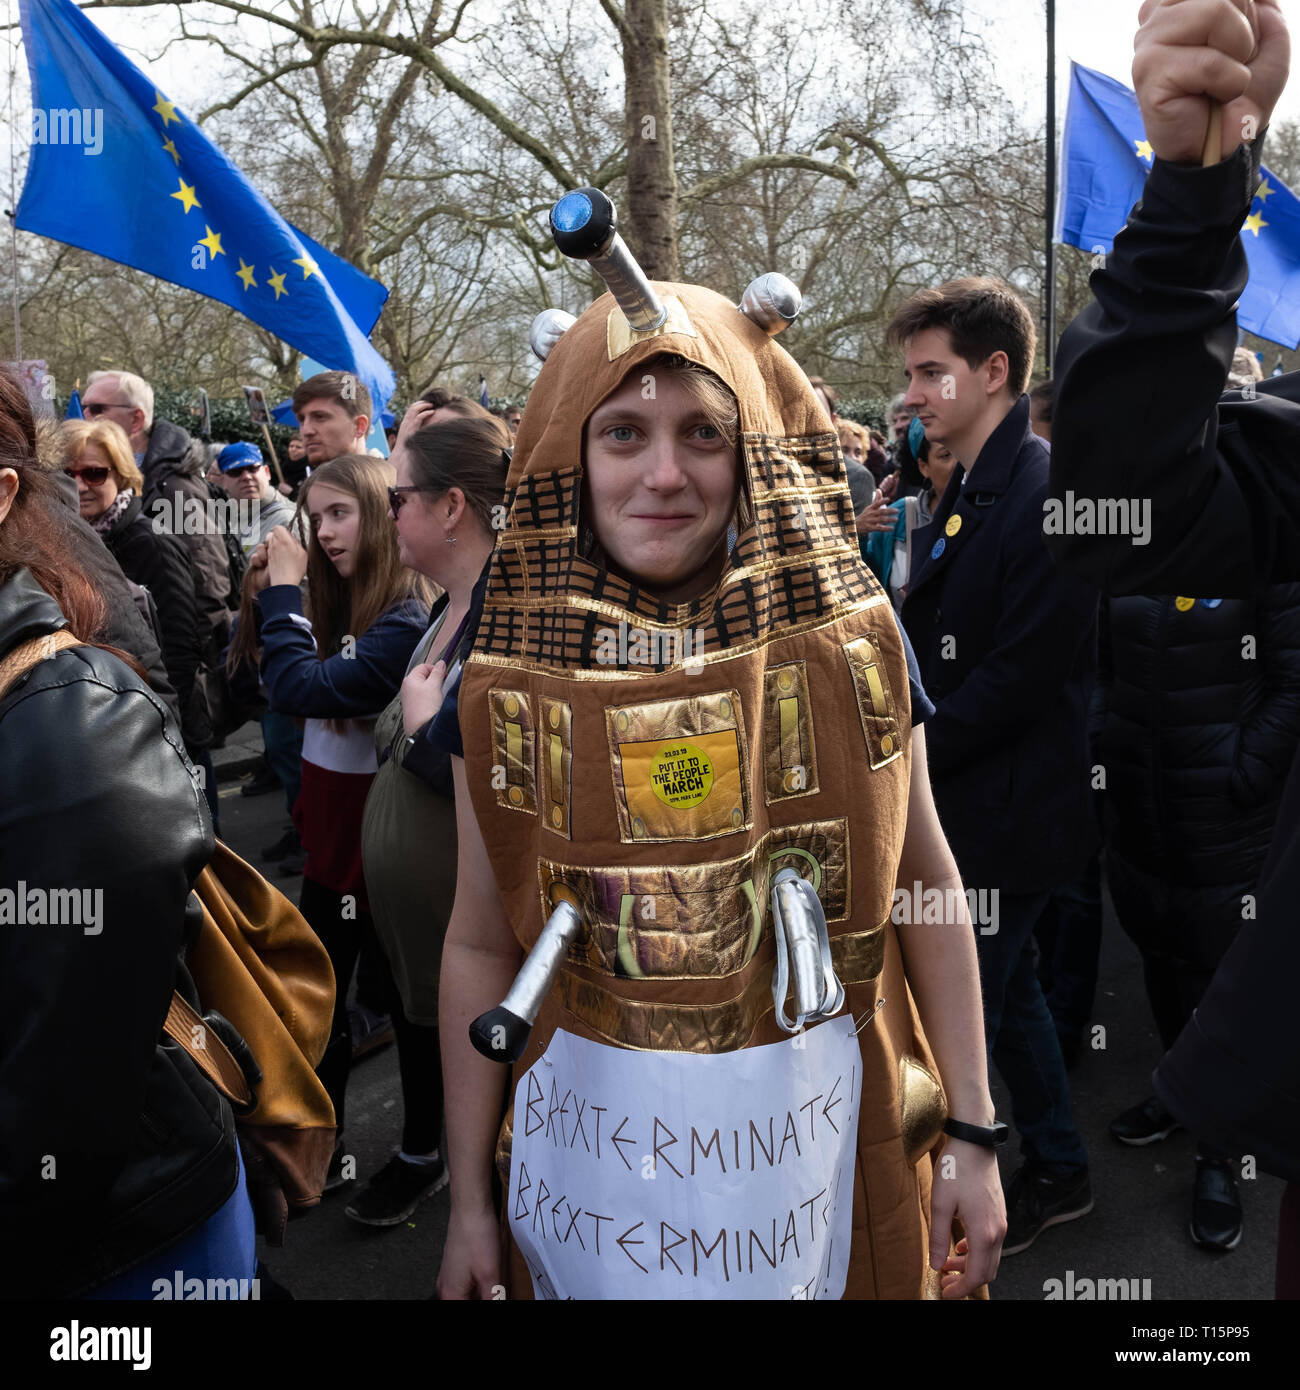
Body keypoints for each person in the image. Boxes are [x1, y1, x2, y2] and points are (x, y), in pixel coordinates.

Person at [437, 252, 1005, 1300]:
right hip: (601, 1181)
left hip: (837, 1150)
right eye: (623, 433)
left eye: (705, 431)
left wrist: (971, 1127)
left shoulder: (852, 643)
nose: (665, 474)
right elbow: (479, 936)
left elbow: (923, 881)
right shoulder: (506, 669)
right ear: (567, 451)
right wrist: (469, 1199)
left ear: (754, 444)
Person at [1049, 0, 1299, 1295]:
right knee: (1179, 958)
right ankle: (1213, 1125)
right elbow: (1113, 511)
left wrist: (1244, 770)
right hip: (1163, 795)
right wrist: (1193, 198)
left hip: (1219, 791)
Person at [0, 365, 254, 1300]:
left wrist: (188, 735)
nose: (94, 482)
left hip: (124, 1243)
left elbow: (59, 1103)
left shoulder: (74, 736)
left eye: (104, 455)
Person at [889, 277, 1099, 1257]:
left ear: (993, 371)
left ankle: (1020, 1169)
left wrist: (910, 748)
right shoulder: (970, 485)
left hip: (1009, 818)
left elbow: (1020, 675)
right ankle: (1057, 1164)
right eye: (910, 376)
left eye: (932, 373)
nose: (915, 394)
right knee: (1005, 999)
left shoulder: (1045, 490)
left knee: (969, 1002)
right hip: (976, 805)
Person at [238, 454, 435, 1197]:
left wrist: (283, 594)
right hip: (328, 848)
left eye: (340, 514)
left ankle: (423, 1153)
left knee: (411, 1009)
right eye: (315, 517)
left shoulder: (402, 617)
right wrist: (261, 591)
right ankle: (323, 1152)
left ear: (383, 514)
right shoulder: (327, 600)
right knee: (319, 1004)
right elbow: (253, 680)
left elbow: (298, 689)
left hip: (385, 851)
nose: (322, 532)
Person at [1100, 583, 1300, 1250]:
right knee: (1159, 948)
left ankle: (1218, 1153)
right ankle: (1179, 1088)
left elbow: (1294, 682)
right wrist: (1108, 743)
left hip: (1225, 821)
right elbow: (1101, 662)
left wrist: (1239, 772)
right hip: (1141, 805)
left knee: (1219, 969)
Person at [352, 417, 510, 1227]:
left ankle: (471, 1178)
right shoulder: (446, 604)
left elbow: (503, 786)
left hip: (467, 923)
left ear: (453, 507)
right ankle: (429, 1151)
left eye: (399, 499)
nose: (389, 517)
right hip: (421, 921)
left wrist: (419, 732)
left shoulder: (505, 620)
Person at [59, 418, 213, 785]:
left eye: (95, 474)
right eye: (68, 473)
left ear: (123, 476)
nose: (79, 485)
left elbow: (180, 648)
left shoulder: (151, 543)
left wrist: (162, 730)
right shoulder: (66, 543)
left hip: (165, 733)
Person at [81, 369, 231, 643]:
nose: (86, 417)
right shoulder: (101, 479)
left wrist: (183, 661)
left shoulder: (173, 487)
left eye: (97, 409)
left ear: (136, 419)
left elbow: (207, 580)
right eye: (85, 408)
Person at [216, 441, 295, 557]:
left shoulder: (288, 520)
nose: (246, 477)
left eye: (252, 469)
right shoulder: (227, 521)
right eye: (235, 472)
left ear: (267, 472)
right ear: (223, 482)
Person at [293, 371, 373, 468]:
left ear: (360, 426)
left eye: (320, 417)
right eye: (302, 420)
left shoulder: (392, 481)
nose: (306, 431)